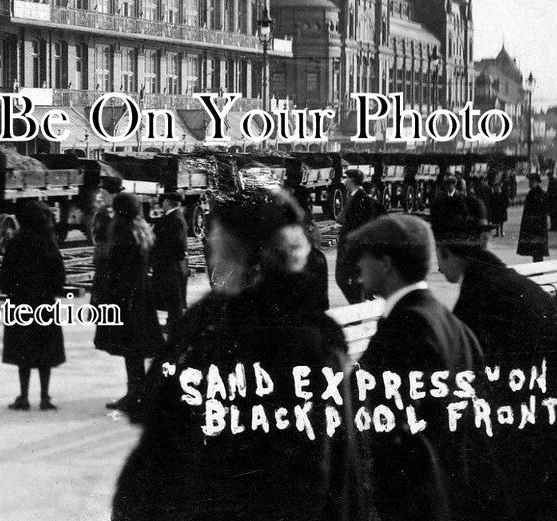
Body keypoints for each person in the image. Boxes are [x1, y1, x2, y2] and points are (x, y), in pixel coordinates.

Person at [112, 190, 364, 521]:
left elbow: (297, 482)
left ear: (244, 254)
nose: (212, 250)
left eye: (218, 242)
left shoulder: (240, 337)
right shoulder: (303, 331)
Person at [347, 214, 512, 521]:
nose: (357, 267)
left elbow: (393, 438)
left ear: (386, 264)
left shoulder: (406, 327)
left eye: (363, 257)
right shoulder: (451, 323)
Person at [436, 197, 557, 520]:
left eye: (439, 256)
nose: (437, 267)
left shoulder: (478, 298)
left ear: (444, 250)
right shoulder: (504, 281)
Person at [93, 192, 163, 414]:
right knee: (135, 350)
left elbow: (120, 272)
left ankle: (135, 396)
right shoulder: (140, 230)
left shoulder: (123, 235)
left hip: (126, 299)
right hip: (140, 296)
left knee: (131, 349)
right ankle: (138, 392)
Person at [0, 200, 66, 411]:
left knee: (23, 352)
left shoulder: (15, 243)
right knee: (45, 352)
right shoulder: (50, 243)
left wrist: (12, 292)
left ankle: (24, 397)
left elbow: (5, 278)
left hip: (20, 303)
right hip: (45, 303)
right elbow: (60, 278)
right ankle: (45, 397)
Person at [335, 169, 375, 303]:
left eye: (345, 178)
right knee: (343, 279)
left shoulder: (364, 199)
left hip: (354, 248)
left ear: (352, 180)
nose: (343, 181)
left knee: (348, 279)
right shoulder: (351, 196)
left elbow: (366, 226)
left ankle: (358, 306)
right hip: (347, 247)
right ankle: (358, 305)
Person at [149, 191, 189, 326]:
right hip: (169, 264)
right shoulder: (173, 216)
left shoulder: (175, 218)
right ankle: (173, 322)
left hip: (170, 265)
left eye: (163, 201)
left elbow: (179, 244)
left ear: (167, 202)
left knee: (173, 297)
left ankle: (175, 325)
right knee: (172, 296)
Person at [517, 173, 550, 262]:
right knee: (535, 251)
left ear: (535, 182)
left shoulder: (538, 193)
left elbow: (542, 210)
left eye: (531, 181)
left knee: (537, 251)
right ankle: (537, 269)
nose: (529, 183)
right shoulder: (534, 192)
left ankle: (539, 271)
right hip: (534, 227)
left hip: (536, 227)